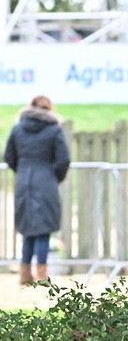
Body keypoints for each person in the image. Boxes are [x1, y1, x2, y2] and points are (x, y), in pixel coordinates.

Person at [4, 95, 70, 286]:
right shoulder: (54, 129)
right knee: (44, 230)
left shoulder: (18, 128)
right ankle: (42, 274)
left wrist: (22, 170)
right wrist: (53, 175)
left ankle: (24, 273)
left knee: (27, 229)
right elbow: (63, 159)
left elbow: (9, 156)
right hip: (46, 179)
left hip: (23, 180)